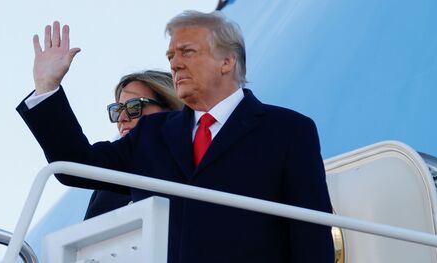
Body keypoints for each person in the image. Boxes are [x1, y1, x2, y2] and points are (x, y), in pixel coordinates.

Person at [17, 10, 334, 263]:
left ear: (227, 61)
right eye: (171, 57)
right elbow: (76, 164)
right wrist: (47, 87)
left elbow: (310, 236)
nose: (176, 64)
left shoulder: (289, 130)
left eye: (188, 52)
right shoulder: (152, 135)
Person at [84, 70, 183, 219]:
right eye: (117, 110)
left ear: (171, 108)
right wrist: (47, 85)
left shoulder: (195, 161)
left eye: (133, 107)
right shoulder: (105, 188)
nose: (122, 118)